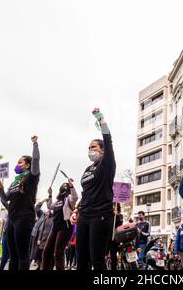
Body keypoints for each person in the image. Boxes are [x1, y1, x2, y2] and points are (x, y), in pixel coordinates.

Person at [73, 108, 116, 270]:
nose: (90, 150)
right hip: (84, 216)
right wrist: (76, 211)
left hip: (100, 216)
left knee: (97, 260)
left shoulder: (107, 165)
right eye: (89, 148)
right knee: (82, 261)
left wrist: (101, 120)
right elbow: (85, 194)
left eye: (93, 147)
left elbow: (108, 139)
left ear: (102, 150)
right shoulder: (87, 169)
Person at [0, 135, 40, 270]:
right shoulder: (15, 181)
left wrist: (35, 144)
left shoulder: (31, 177)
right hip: (12, 219)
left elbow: (36, 160)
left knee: (22, 254)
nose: (17, 165)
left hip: (24, 218)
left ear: (28, 165)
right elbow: (5, 200)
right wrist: (0, 189)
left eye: (20, 162)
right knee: (13, 255)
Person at [41, 179, 78, 270]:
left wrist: (72, 186)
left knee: (58, 252)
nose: (64, 186)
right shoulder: (57, 201)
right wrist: (50, 194)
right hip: (55, 228)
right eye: (63, 185)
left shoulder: (69, 199)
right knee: (46, 251)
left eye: (66, 185)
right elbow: (50, 206)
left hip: (65, 228)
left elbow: (75, 197)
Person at [30, 198, 49, 265]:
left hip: (44, 236)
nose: (47, 212)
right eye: (47, 211)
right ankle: (32, 259)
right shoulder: (42, 214)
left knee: (39, 249)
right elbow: (37, 207)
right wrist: (43, 200)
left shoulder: (52, 218)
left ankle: (37, 261)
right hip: (36, 233)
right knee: (33, 247)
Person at [108, 203, 123, 270]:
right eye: (113, 206)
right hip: (110, 238)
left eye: (115, 206)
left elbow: (119, 224)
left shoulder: (120, 216)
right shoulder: (109, 215)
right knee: (112, 256)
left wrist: (116, 216)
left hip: (117, 239)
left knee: (115, 256)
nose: (114, 207)